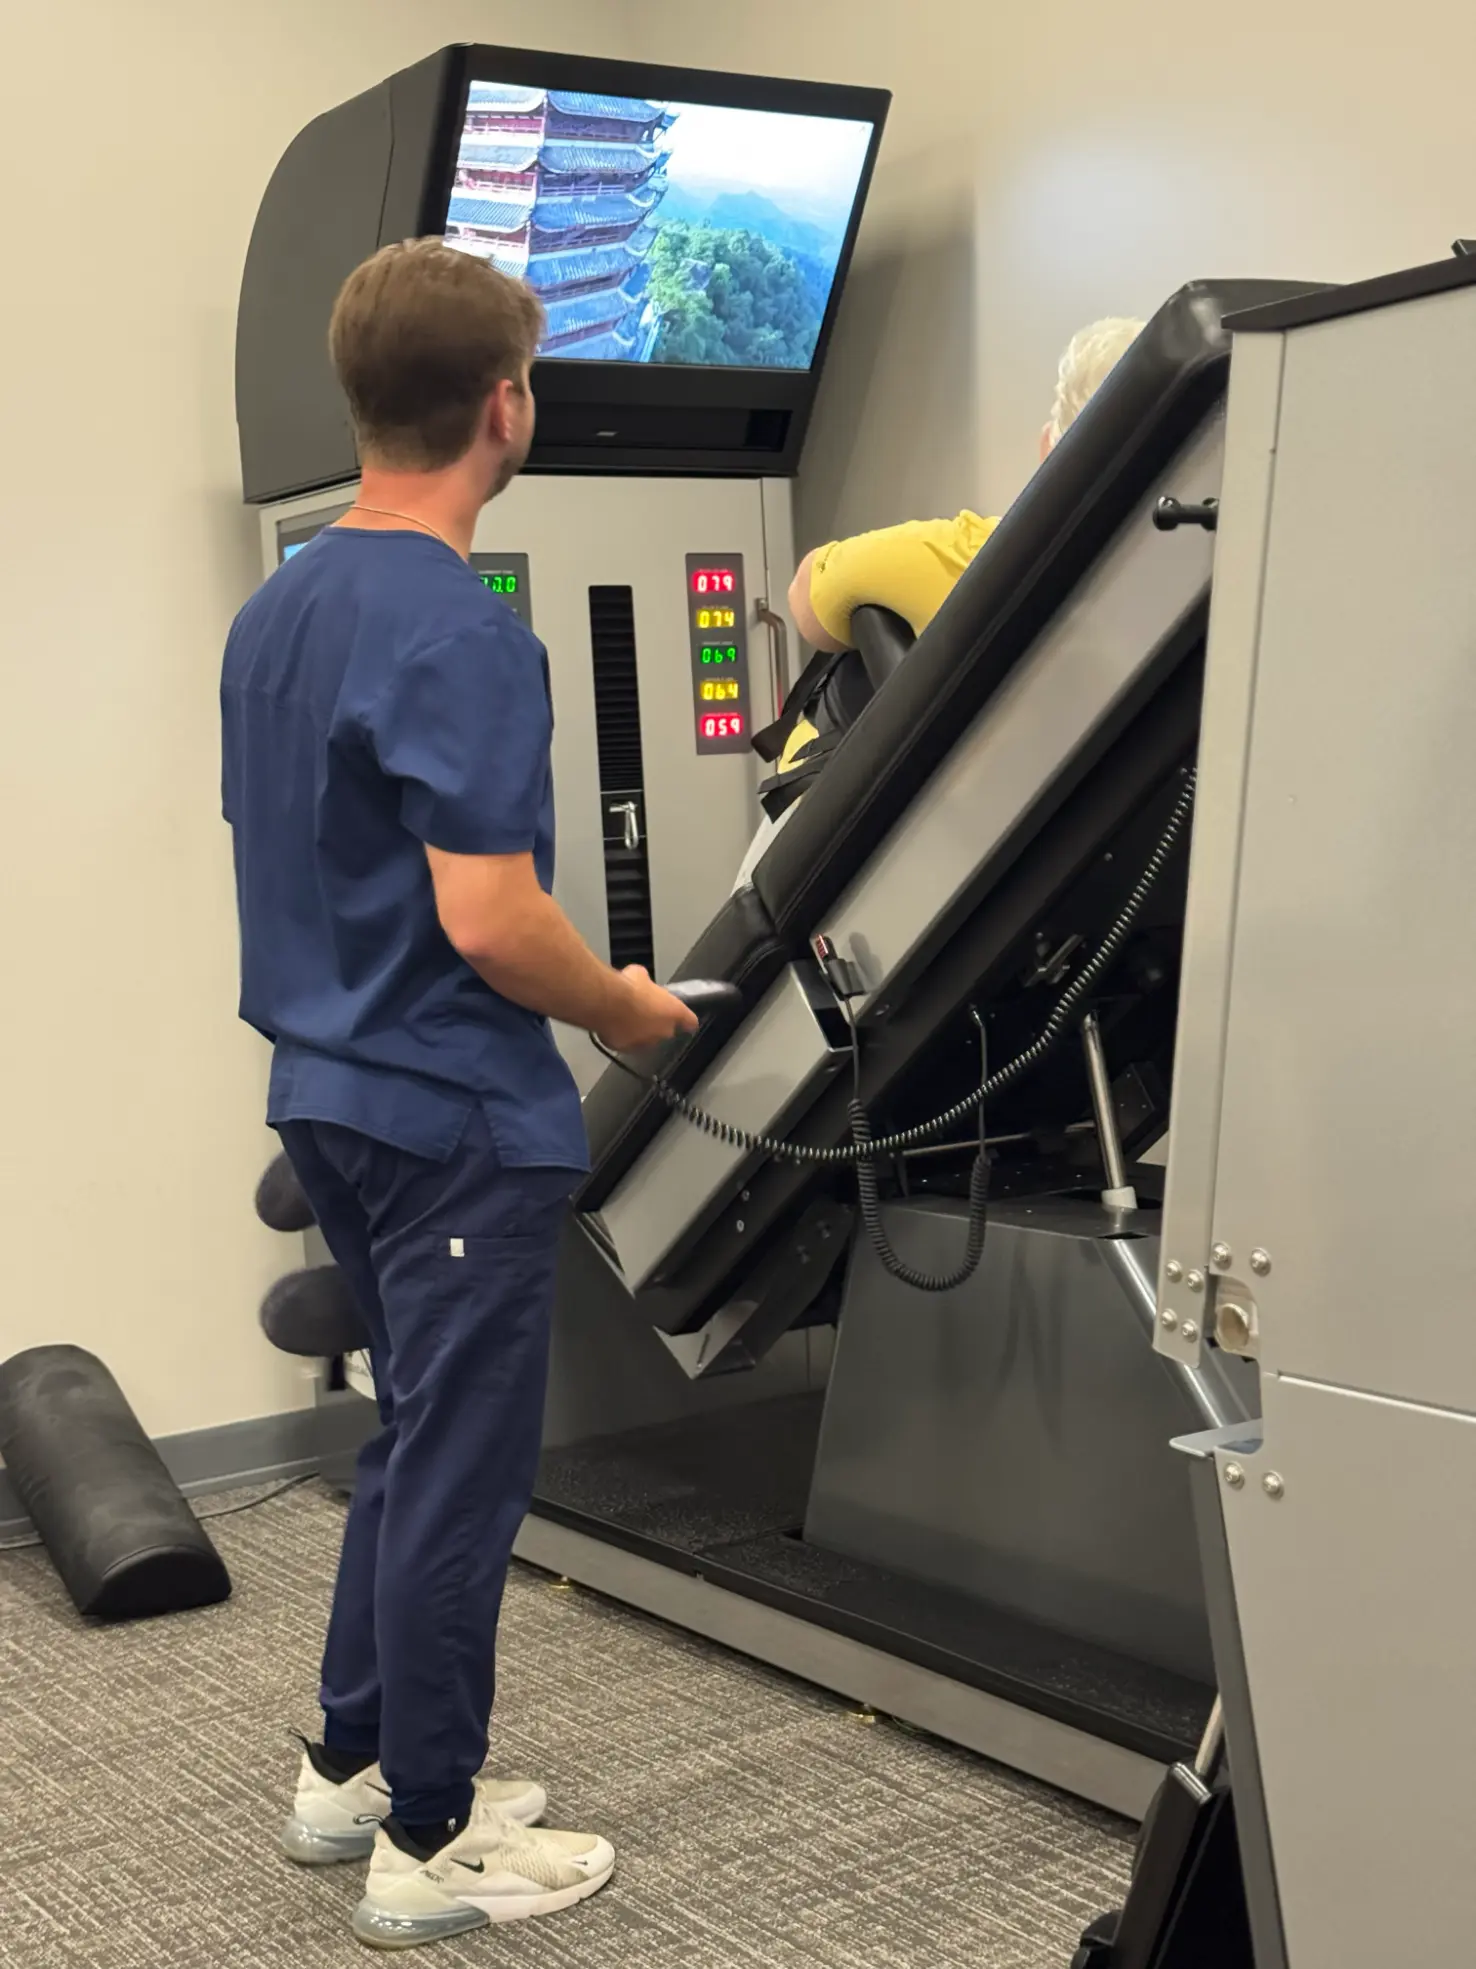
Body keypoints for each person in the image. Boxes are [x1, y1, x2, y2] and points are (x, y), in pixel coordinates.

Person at [220, 239, 696, 1950]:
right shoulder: (463, 629)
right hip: (450, 1115)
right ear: (508, 406)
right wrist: (626, 1007)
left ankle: (351, 1765)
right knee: (464, 1475)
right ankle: (429, 1839)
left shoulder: (275, 614)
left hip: (329, 1093)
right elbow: (492, 918)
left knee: (413, 1438)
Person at [730, 317, 1143, 895]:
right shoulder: (1187, 599)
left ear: (1054, 448)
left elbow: (806, 604)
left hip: (832, 849)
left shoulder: (972, 553)